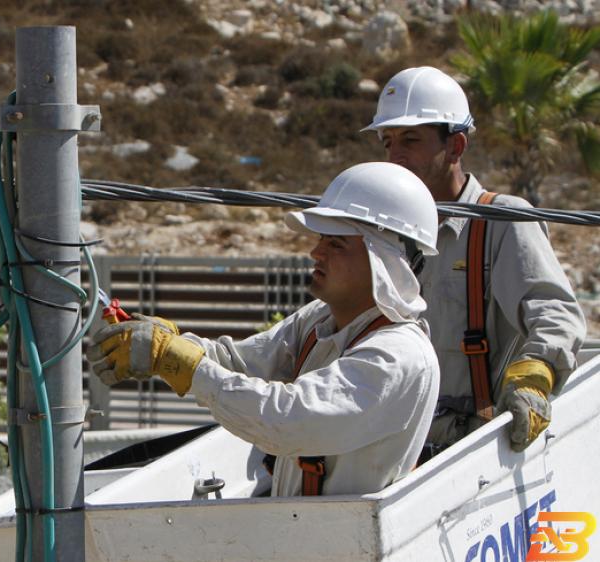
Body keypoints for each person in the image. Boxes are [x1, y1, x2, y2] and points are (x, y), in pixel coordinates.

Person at [87, 162, 441, 497]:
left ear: (384, 263)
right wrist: (171, 345)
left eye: (336, 243)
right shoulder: (320, 320)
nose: (316, 252)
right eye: (321, 238)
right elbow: (237, 362)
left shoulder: (399, 357)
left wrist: (181, 361)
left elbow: (287, 420)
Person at [363, 66, 586, 454]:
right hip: (397, 447)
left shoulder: (500, 222)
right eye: (388, 142)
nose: (395, 155)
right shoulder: (385, 234)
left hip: (476, 452)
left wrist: (532, 380)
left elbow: (556, 315)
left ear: (456, 146)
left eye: (410, 140)